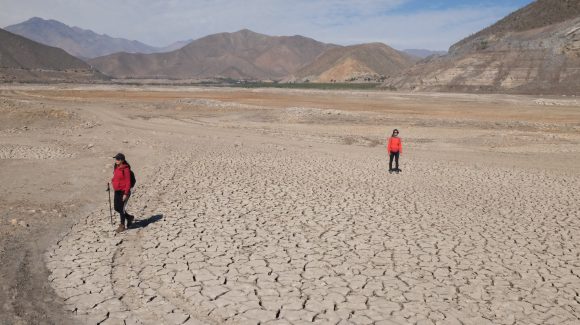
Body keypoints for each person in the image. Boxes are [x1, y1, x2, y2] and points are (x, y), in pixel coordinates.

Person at [111, 153, 134, 232]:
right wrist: (111, 181)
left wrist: (125, 193)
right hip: (117, 191)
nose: (116, 160)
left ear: (122, 160)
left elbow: (128, 182)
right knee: (116, 208)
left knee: (121, 209)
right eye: (116, 159)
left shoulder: (126, 169)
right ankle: (129, 217)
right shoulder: (116, 167)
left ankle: (122, 225)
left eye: (118, 159)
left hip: (124, 191)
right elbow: (115, 177)